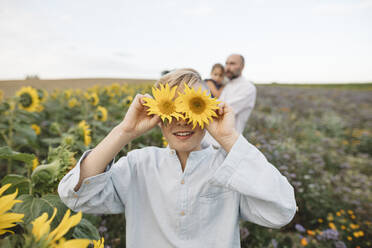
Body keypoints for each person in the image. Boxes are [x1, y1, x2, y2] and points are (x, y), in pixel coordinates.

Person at [58, 69, 296, 248]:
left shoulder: (228, 166)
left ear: (209, 112)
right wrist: (125, 131)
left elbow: (282, 211)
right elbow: (76, 196)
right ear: (158, 117)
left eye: (193, 108)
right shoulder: (139, 165)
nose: (181, 120)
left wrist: (228, 137)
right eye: (170, 110)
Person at [202, 54, 257, 148]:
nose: (227, 67)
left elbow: (221, 111)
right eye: (226, 64)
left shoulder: (247, 88)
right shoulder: (224, 84)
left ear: (242, 66)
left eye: (232, 64)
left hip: (223, 146)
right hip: (205, 142)